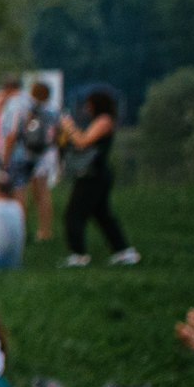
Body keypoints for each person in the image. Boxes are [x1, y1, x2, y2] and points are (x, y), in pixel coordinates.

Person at [58, 89, 138, 266]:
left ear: (97, 105)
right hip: (95, 174)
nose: (86, 108)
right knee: (102, 215)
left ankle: (78, 255)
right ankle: (123, 251)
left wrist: (69, 126)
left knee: (73, 215)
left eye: (89, 104)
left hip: (93, 175)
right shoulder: (102, 121)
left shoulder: (104, 121)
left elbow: (83, 141)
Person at [5, 79, 59, 241]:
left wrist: (5, 159)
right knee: (42, 193)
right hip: (43, 156)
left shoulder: (21, 106)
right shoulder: (52, 111)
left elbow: (12, 134)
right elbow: (56, 136)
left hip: (21, 154)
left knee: (19, 192)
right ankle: (44, 231)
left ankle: (20, 232)